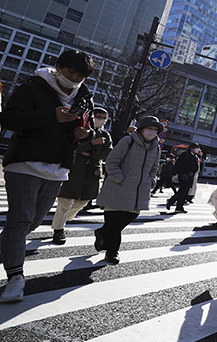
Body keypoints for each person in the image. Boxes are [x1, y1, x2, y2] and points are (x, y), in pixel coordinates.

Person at [0, 49, 95, 302]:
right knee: (20, 220)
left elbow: (88, 130)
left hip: (59, 168)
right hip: (24, 163)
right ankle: (15, 278)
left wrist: (85, 135)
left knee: (32, 223)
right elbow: (8, 118)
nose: (73, 78)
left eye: (79, 75)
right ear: (58, 67)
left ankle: (8, 249)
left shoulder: (85, 97)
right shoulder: (33, 87)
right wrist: (50, 115)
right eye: (70, 72)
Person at [93, 116, 162, 264]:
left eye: (155, 130)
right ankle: (112, 251)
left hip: (138, 192)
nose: (152, 132)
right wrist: (121, 179)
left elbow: (154, 168)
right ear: (142, 129)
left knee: (127, 219)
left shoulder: (156, 148)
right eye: (149, 128)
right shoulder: (128, 141)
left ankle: (102, 233)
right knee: (114, 223)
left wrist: (151, 180)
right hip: (118, 189)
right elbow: (111, 161)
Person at [50, 107, 112, 245]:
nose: (101, 119)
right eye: (98, 116)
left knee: (84, 201)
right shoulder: (79, 129)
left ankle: (64, 219)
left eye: (104, 117)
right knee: (65, 201)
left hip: (92, 173)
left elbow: (108, 153)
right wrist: (91, 143)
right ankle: (58, 230)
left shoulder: (106, 135)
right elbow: (72, 147)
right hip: (74, 170)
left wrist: (90, 154)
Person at [167, 143, 200, 213]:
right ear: (191, 148)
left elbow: (196, 167)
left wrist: (191, 173)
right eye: (196, 148)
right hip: (183, 176)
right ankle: (171, 201)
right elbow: (179, 165)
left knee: (184, 192)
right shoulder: (185, 155)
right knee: (182, 191)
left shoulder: (195, 157)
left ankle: (179, 207)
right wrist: (183, 174)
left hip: (190, 177)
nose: (197, 150)